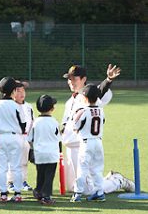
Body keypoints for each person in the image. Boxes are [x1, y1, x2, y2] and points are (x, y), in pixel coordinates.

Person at [62, 64, 134, 194]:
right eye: (69, 79)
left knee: (88, 190)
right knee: (70, 188)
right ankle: (107, 179)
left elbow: (100, 91)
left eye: (74, 79)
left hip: (82, 147)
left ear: (84, 79)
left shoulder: (91, 97)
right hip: (69, 148)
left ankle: (117, 180)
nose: (71, 82)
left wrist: (108, 80)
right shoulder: (70, 101)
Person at [0, 77, 26, 202]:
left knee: (2, 166)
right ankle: (17, 193)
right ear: (14, 91)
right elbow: (23, 124)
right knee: (16, 166)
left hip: (0, 138)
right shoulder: (16, 105)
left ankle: (3, 193)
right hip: (15, 137)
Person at [70, 84, 106, 202]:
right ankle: (99, 192)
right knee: (97, 169)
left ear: (84, 98)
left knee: (82, 168)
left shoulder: (83, 111)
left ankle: (77, 193)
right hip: (98, 142)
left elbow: (75, 127)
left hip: (86, 143)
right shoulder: (101, 110)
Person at [28, 94, 60, 205]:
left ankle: (38, 191)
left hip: (39, 153)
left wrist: (33, 148)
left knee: (40, 174)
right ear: (52, 108)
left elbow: (30, 139)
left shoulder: (35, 122)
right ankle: (46, 197)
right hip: (52, 154)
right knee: (49, 176)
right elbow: (58, 138)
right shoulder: (54, 122)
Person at [8, 81, 33, 192]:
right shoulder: (11, 106)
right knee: (12, 160)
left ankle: (23, 180)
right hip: (14, 136)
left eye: (23, 90)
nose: (22, 93)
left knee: (24, 160)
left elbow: (31, 122)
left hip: (25, 137)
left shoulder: (28, 106)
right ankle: (11, 181)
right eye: (18, 91)